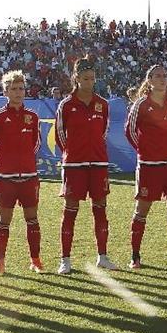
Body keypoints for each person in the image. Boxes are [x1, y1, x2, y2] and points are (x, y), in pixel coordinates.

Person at [55, 57, 116, 273]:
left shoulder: (103, 104)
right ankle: (65, 260)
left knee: (100, 210)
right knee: (70, 211)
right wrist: (73, 153)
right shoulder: (66, 104)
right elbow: (61, 135)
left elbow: (103, 132)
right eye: (85, 78)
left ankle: (103, 256)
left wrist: (95, 151)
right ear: (76, 78)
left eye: (92, 78)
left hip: (98, 164)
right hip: (74, 165)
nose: (89, 82)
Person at [124, 64, 167, 266]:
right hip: (149, 165)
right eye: (157, 76)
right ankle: (135, 255)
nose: (162, 79)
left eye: (164, 76)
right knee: (142, 209)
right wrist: (145, 150)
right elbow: (130, 131)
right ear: (149, 80)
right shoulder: (141, 104)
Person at [0, 70, 44, 275]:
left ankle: (35, 260)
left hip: (29, 176)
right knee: (4, 221)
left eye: (21, 88)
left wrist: (26, 160)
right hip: (5, 178)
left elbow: (37, 143)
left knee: (32, 219)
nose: (18, 92)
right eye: (14, 89)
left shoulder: (32, 117)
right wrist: (2, 162)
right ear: (6, 92)